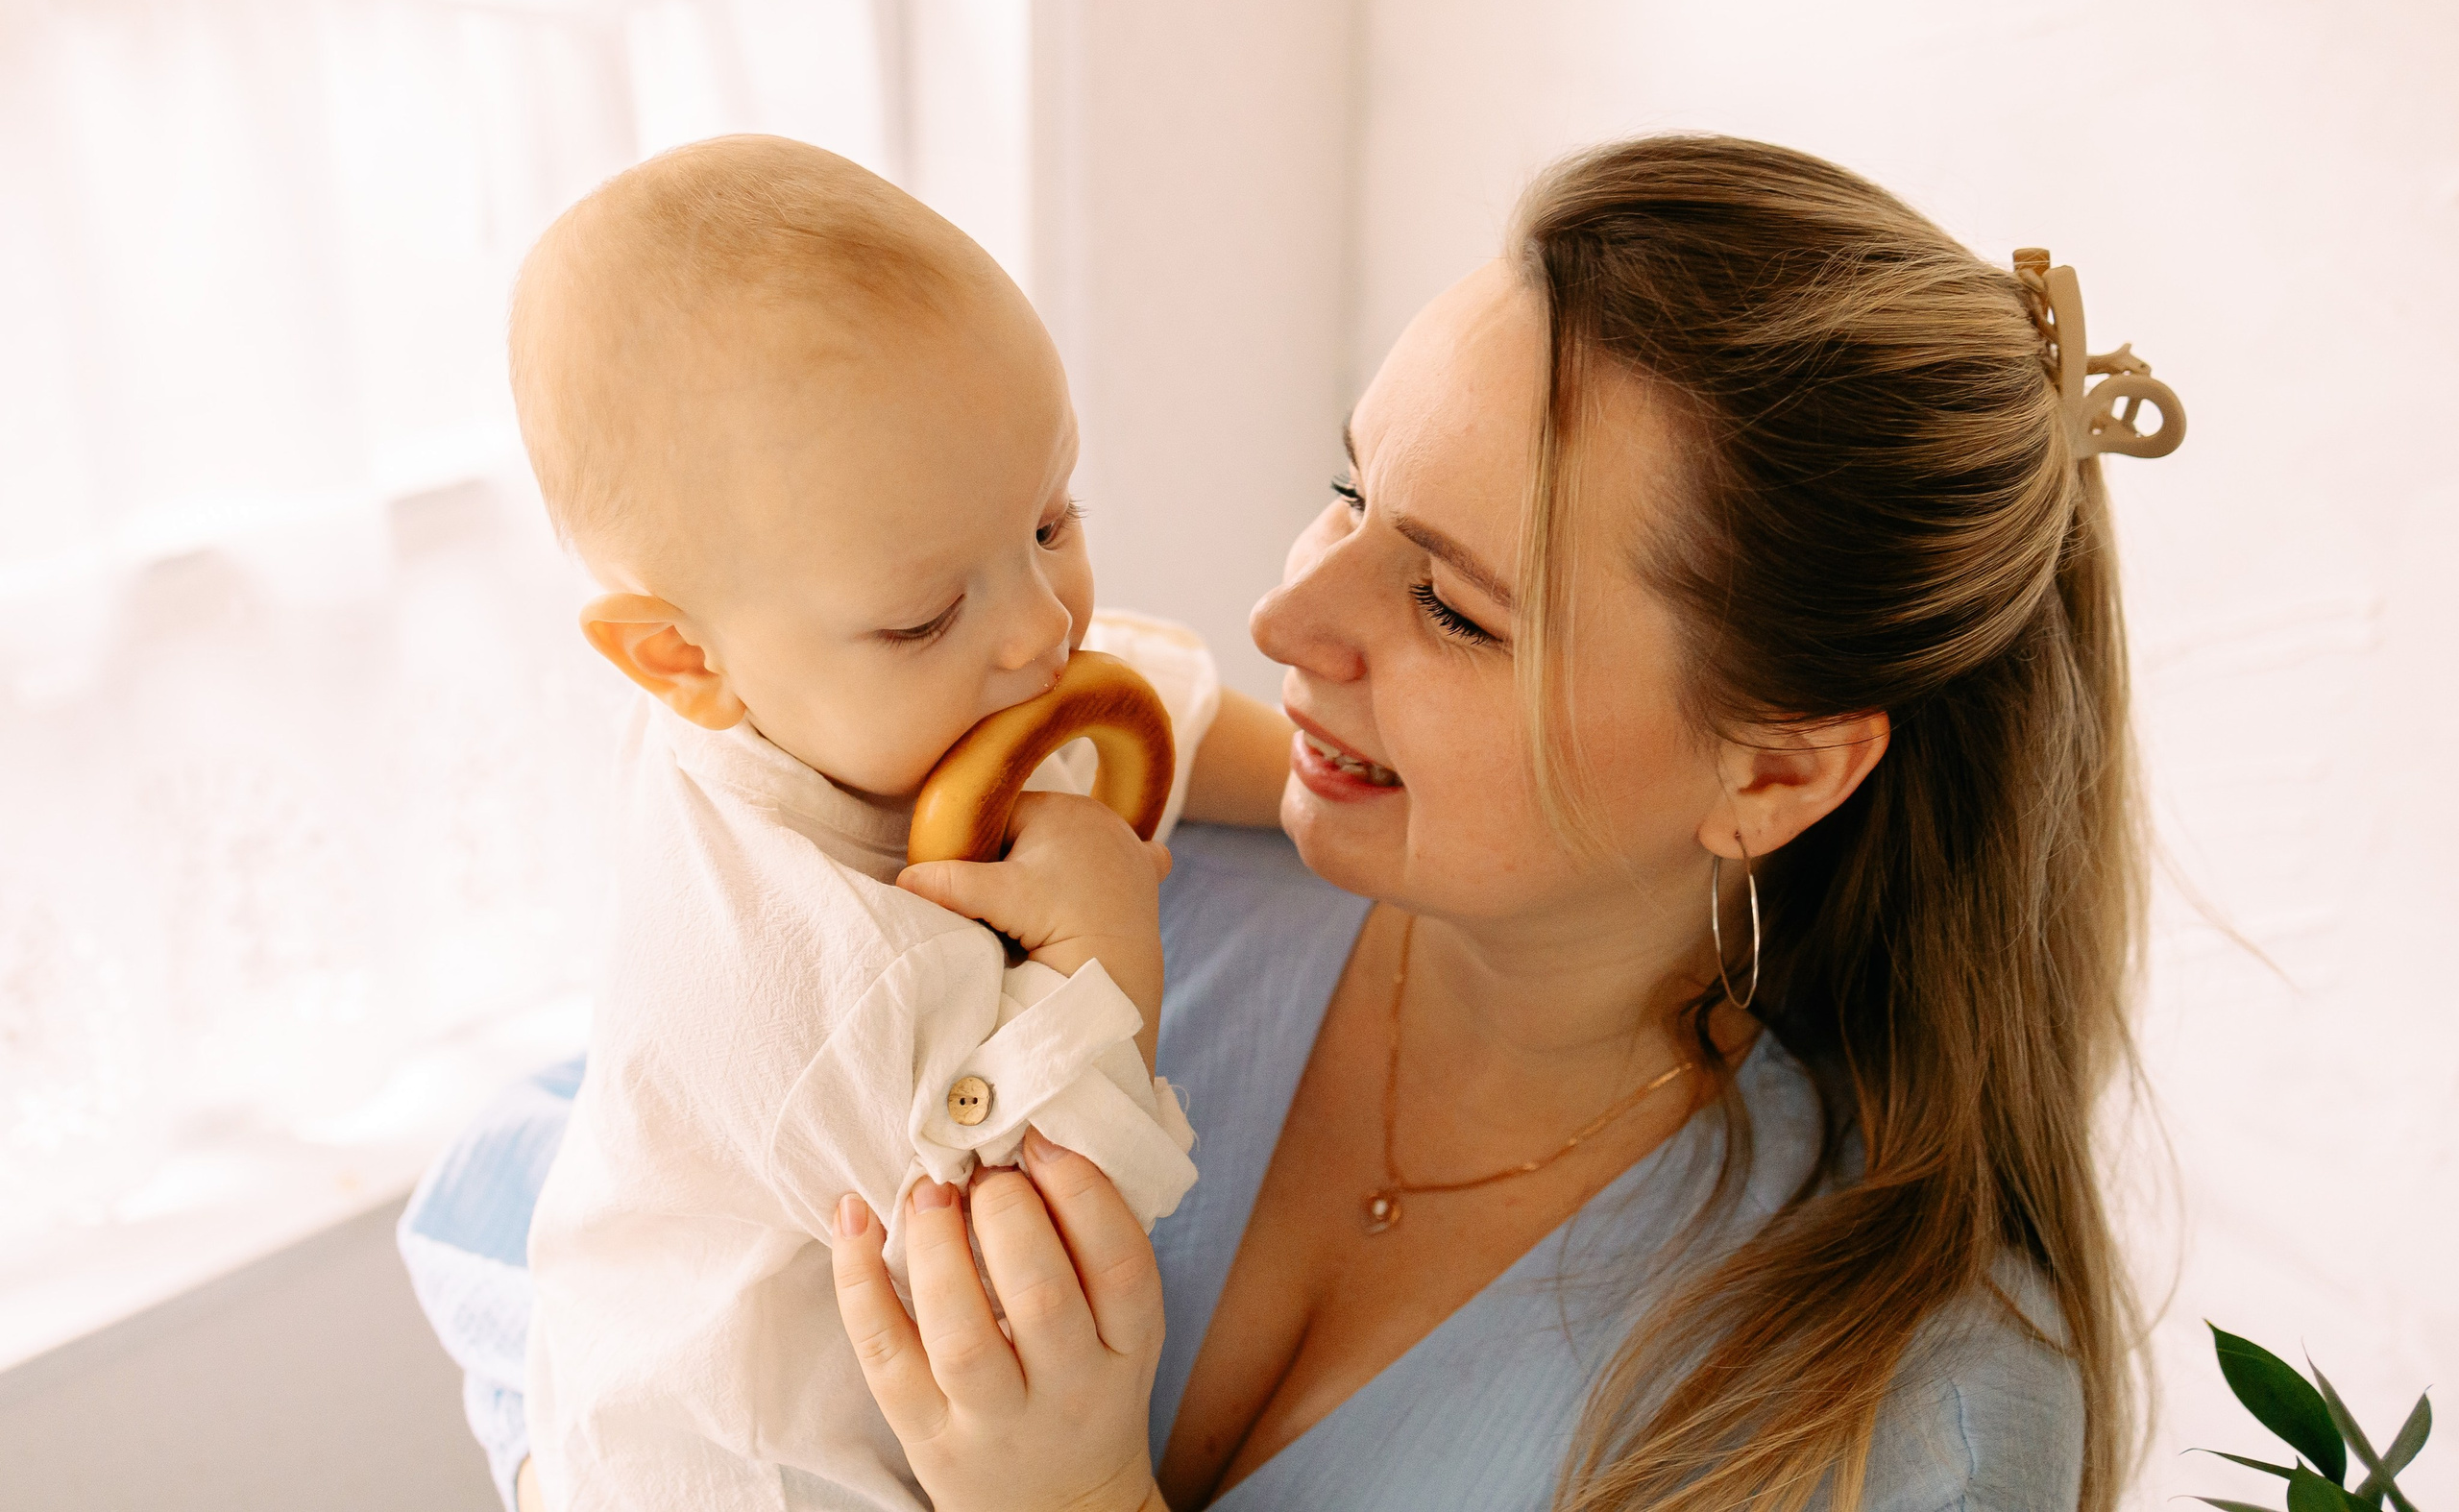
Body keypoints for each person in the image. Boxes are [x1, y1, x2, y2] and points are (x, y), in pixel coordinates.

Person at [403, 134, 2177, 1511]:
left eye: (1460, 610)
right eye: (1350, 489)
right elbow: (533, 1201)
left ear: (1775, 770)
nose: (1285, 624)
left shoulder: (1905, 1415)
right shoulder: (1096, 866)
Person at [492, 134, 1295, 1512]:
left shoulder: (854, 673)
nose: (1043, 628)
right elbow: (1031, 1252)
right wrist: (1108, 960)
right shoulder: (806, 968)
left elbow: (1139, 695)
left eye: (1053, 519)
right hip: (741, 1470)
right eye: (928, 612)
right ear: (681, 662)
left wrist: (1324, 786)